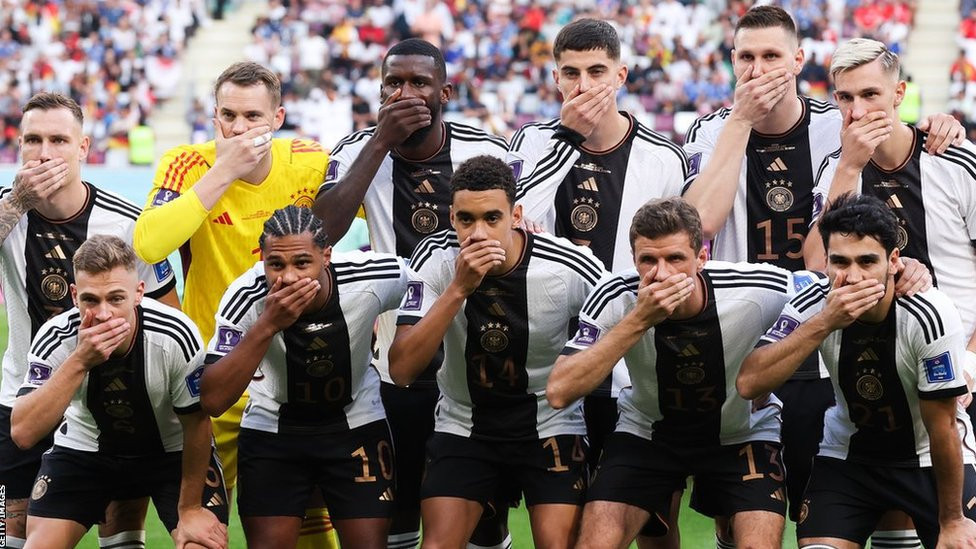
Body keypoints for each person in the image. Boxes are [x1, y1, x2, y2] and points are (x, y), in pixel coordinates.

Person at [681, 8, 964, 543]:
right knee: (736, 501)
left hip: (834, 332)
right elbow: (700, 227)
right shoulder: (711, 127)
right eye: (746, 56)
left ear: (797, 59)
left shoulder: (839, 121)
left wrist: (939, 125)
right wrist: (738, 121)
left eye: (771, 56)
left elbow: (893, 133)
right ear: (731, 61)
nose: (758, 69)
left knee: (854, 483)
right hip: (745, 332)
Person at [313, 38, 510, 549]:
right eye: (393, 83)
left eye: (419, 83)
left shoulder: (484, 150)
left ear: (444, 91)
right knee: (398, 511)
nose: (405, 94)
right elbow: (323, 234)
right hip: (395, 357)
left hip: (474, 354)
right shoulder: (357, 148)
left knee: (482, 518)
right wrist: (380, 142)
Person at [133, 62, 337, 547]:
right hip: (216, 377)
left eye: (253, 116)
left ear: (279, 117)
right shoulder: (187, 163)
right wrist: (225, 171)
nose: (239, 129)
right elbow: (148, 243)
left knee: (313, 535)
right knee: (199, 533)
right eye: (228, 116)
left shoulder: (310, 160)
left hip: (297, 376)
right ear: (215, 117)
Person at [547, 197, 821, 549]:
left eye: (675, 258)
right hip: (647, 436)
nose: (661, 274)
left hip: (740, 434)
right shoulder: (615, 295)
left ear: (702, 258)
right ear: (634, 260)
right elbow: (559, 391)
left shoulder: (757, 288)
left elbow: (824, 287)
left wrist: (908, 272)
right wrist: (639, 320)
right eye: (648, 260)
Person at [507, 19, 693, 476]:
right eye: (570, 73)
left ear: (621, 75)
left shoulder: (662, 157)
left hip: (626, 362)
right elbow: (513, 222)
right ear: (554, 78)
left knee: (644, 510)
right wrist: (567, 137)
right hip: (544, 352)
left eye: (596, 71)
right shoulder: (530, 141)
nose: (583, 85)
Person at [738, 193, 976, 548]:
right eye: (840, 262)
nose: (853, 277)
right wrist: (825, 323)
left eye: (867, 261)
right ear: (827, 263)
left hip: (928, 456)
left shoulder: (928, 314)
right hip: (848, 458)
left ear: (893, 260)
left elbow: (941, 426)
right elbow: (749, 383)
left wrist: (953, 521)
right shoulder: (814, 303)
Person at [389, 155, 604, 547]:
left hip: (549, 423)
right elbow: (402, 368)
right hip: (464, 423)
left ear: (516, 215)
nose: (478, 233)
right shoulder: (435, 260)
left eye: (492, 218)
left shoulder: (568, 264)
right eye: (466, 220)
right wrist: (459, 289)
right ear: (451, 217)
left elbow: (623, 321)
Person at [0, 92, 178, 549]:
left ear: (83, 148)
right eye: (32, 141)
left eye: (59, 140)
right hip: (22, 394)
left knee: (120, 533)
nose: (44, 154)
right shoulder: (7, 210)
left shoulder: (126, 223)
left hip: (112, 406)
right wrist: (17, 202)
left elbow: (168, 315)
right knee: (10, 533)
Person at [198, 206, 409, 548]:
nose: (289, 278)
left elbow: (429, 281)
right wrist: (267, 325)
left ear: (326, 256)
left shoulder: (373, 276)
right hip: (273, 430)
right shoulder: (245, 297)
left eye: (302, 263)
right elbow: (213, 400)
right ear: (262, 258)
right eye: (276, 265)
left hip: (356, 423)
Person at [9, 235, 227, 549]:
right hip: (86, 449)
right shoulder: (56, 337)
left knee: (201, 545)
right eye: (90, 300)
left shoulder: (175, 334)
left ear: (138, 293)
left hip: (172, 452)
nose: (103, 313)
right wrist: (80, 360)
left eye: (115, 298)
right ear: (74, 296)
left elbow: (197, 424)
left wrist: (190, 508)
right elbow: (23, 433)